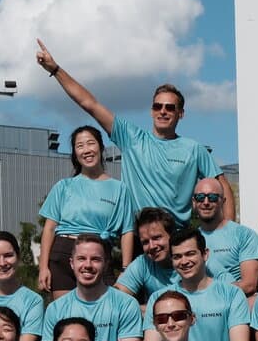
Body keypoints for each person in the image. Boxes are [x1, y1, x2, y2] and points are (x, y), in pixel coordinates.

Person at [37, 41, 225, 224]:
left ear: (180, 114)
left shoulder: (193, 149)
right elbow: (90, 104)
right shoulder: (131, 138)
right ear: (151, 110)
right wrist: (55, 70)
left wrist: (227, 234)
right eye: (158, 106)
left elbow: (223, 187)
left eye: (170, 107)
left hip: (176, 240)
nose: (163, 111)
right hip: (139, 237)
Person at [37, 124, 136, 293]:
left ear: (101, 147)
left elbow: (127, 231)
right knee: (66, 316)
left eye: (91, 143)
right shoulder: (64, 186)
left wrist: (126, 270)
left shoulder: (119, 189)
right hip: (63, 253)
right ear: (75, 153)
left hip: (99, 253)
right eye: (80, 146)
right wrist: (43, 267)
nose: (86, 150)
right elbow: (50, 228)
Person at [142, 225, 251, 341]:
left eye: (190, 254)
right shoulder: (159, 299)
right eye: (177, 257)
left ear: (205, 254)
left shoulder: (232, 294)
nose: (184, 261)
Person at [43, 235, 144, 341]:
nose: (88, 265)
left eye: (95, 259)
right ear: (72, 263)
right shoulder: (55, 309)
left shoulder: (126, 305)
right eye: (81, 259)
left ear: (106, 264)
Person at [186, 177, 258, 296]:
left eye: (212, 197)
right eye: (200, 197)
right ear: (194, 202)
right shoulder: (189, 240)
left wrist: (210, 294)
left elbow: (249, 285)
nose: (206, 202)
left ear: (223, 201)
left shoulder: (244, 235)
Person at [114, 207, 179, 305]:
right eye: (145, 242)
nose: (152, 246)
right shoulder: (144, 263)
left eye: (157, 238)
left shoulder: (189, 259)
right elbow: (115, 299)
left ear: (172, 235)